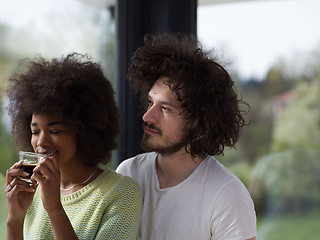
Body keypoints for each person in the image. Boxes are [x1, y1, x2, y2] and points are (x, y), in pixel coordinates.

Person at [116, 33, 257, 240]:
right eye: (150, 102)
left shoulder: (227, 194)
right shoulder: (129, 173)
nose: (147, 116)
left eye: (165, 108)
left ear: (198, 121)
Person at [5, 53, 142, 240]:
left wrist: (54, 209)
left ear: (83, 130)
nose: (41, 142)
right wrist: (15, 217)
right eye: (35, 131)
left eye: (55, 131)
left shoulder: (122, 193)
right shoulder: (32, 191)